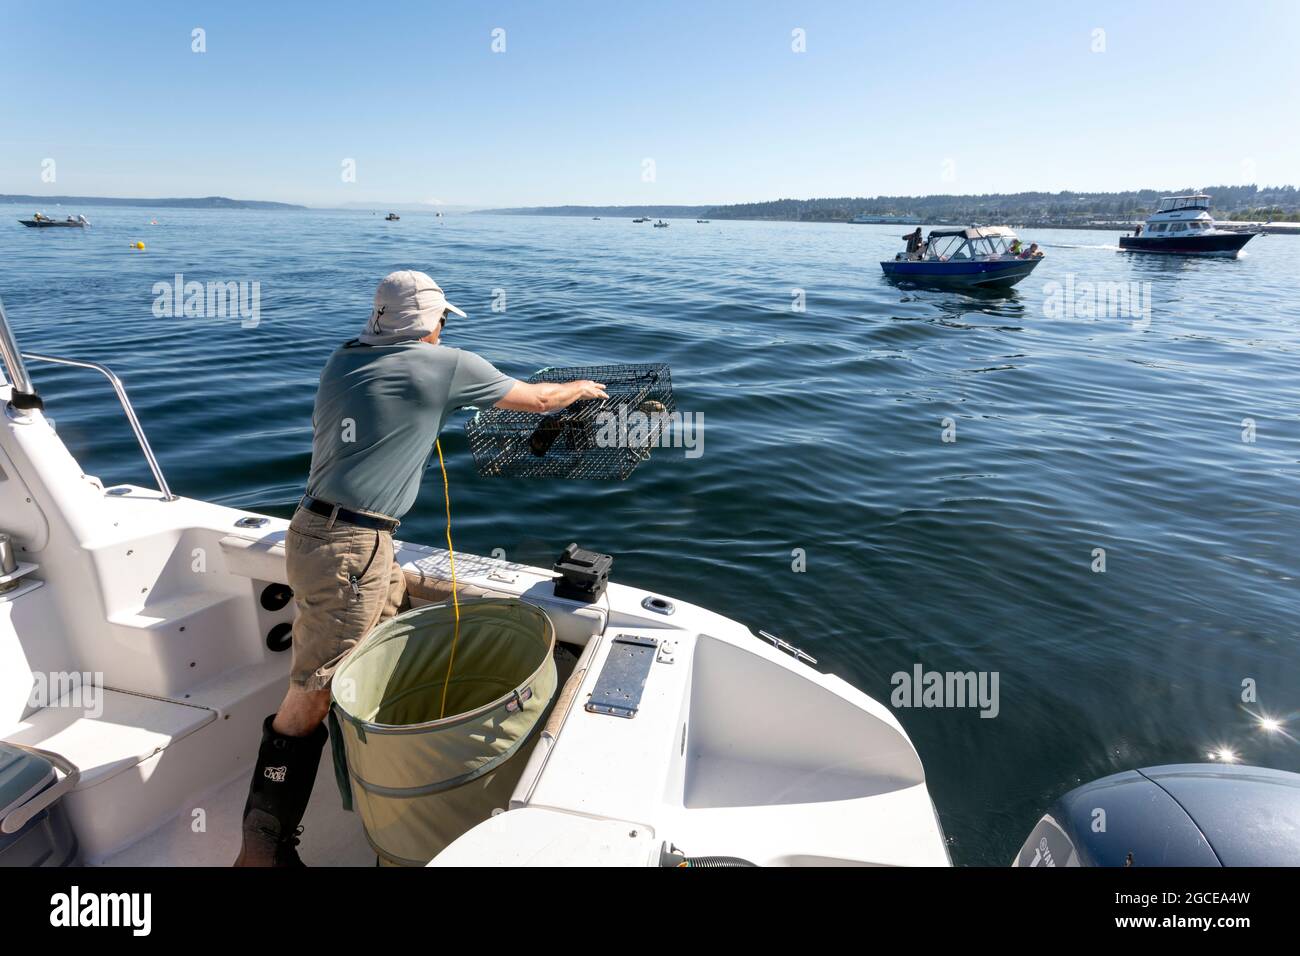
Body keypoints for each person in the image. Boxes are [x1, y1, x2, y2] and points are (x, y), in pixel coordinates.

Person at [233, 270, 608, 866]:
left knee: (372, 663)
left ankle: (376, 795)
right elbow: (536, 399)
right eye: (441, 321)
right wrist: (580, 388)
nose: (442, 330)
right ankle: (261, 853)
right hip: (348, 548)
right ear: (431, 323)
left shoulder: (343, 359)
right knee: (315, 691)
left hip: (326, 535)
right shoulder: (443, 365)